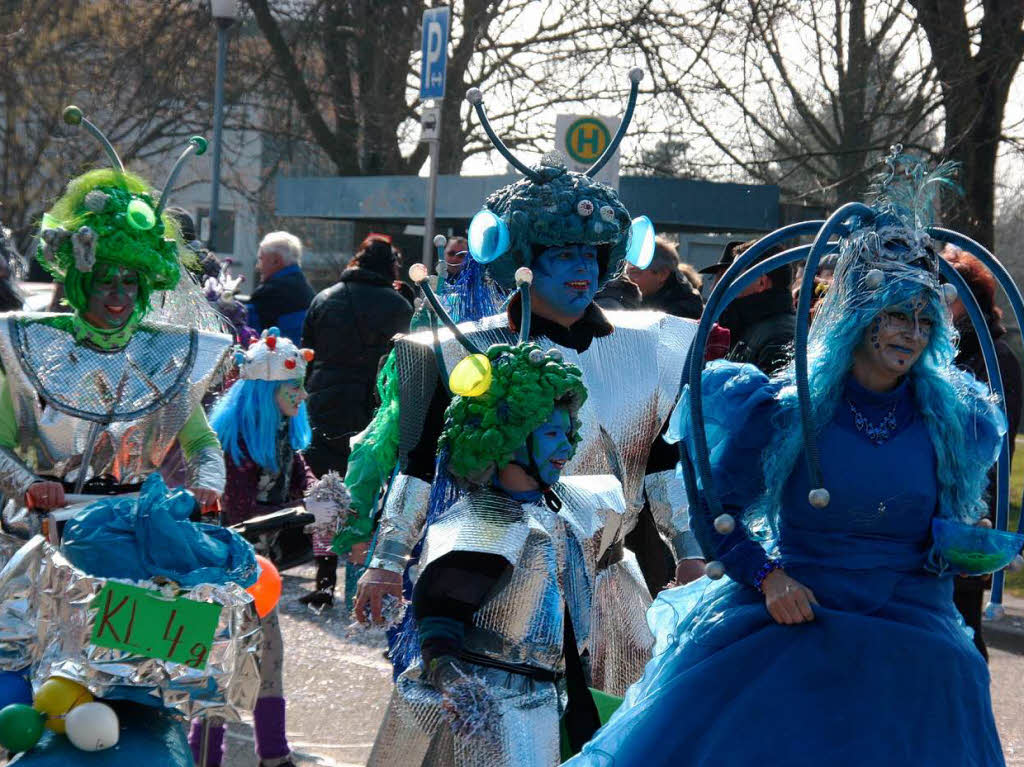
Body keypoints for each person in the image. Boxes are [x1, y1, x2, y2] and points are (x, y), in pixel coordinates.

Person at [566, 156, 1008, 767]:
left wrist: (963, 543)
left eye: (925, 319)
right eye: (894, 316)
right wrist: (768, 579)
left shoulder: (953, 421)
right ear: (858, 320)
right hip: (798, 606)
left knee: (953, 672)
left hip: (912, 619)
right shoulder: (785, 413)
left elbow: (944, 532)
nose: (911, 333)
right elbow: (719, 512)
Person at [354, 69, 700, 698]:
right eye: (561, 255)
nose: (580, 270)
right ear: (523, 259)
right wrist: (384, 561)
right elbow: (418, 467)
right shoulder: (464, 348)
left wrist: (693, 548)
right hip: (495, 585)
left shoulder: (651, 347)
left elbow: (663, 463)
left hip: (612, 589)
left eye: (591, 256)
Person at [368, 339, 625, 767]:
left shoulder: (578, 504)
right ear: (505, 442)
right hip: (489, 709)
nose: (566, 447)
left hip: (548, 701)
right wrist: (451, 681)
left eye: (566, 432)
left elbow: (607, 556)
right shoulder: (479, 526)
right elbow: (438, 618)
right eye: (549, 434)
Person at [0, 111, 229, 531]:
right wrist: (30, 483)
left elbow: (201, 443)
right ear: (82, 282)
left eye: (129, 281)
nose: (119, 294)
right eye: (105, 281)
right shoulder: (33, 346)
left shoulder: (166, 355)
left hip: (134, 528)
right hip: (47, 526)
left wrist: (208, 485)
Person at [198, 330, 321, 767]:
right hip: (219, 570)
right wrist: (304, 508)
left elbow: (302, 477)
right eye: (294, 387)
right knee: (220, 663)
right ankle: (208, 754)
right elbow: (240, 513)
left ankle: (272, 754)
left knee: (266, 654)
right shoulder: (233, 445)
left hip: (257, 572)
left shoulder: (282, 434)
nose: (302, 395)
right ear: (268, 391)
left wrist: (322, 495)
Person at [944, 245, 1022, 660]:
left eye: (947, 295)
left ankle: (970, 715)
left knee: (965, 625)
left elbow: (994, 447)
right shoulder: (955, 352)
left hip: (973, 508)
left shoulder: (995, 359)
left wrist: (979, 513)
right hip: (949, 505)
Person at [700, 238, 796, 374]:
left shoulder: (780, 338)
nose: (726, 285)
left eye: (734, 277)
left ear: (761, 282)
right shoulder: (748, 325)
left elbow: (773, 393)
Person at [248, 231, 315, 344]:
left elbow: (249, 336)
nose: (258, 267)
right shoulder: (307, 290)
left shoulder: (267, 294)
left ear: (275, 260)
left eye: (261, 259)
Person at [625, 237, 703, 319]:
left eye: (636, 273)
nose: (628, 279)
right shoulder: (644, 298)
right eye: (626, 273)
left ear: (662, 274)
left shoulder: (681, 312)